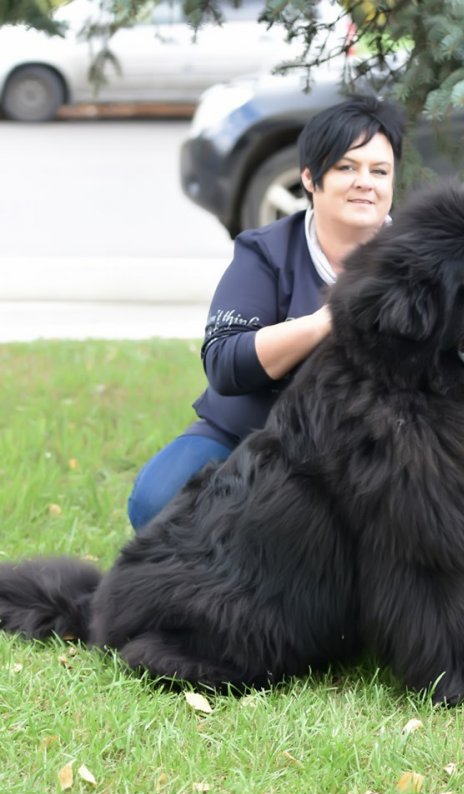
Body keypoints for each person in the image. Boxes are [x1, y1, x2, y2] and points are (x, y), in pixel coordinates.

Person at [127, 94, 406, 531]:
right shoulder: (266, 251)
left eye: (380, 171)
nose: (365, 183)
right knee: (157, 501)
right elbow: (225, 363)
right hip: (251, 432)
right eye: (346, 167)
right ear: (310, 177)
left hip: (372, 448)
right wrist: (326, 319)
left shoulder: (418, 260)